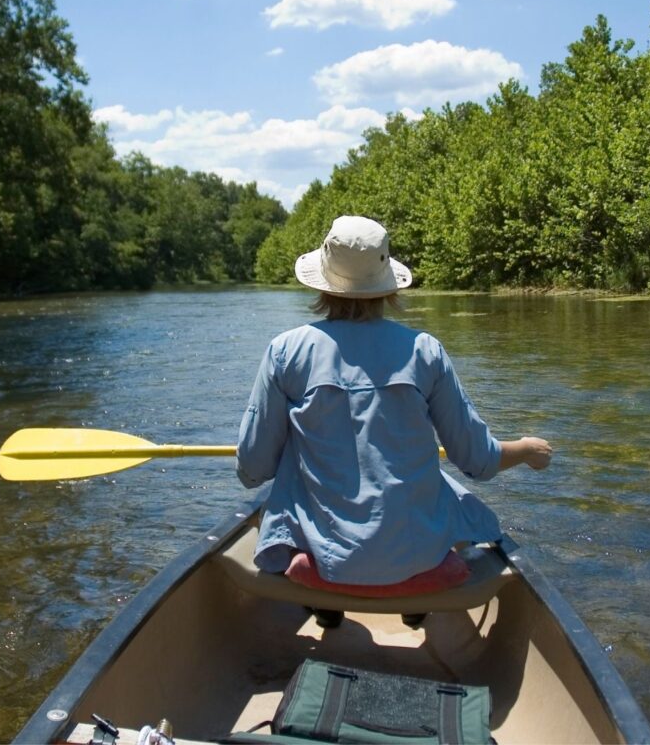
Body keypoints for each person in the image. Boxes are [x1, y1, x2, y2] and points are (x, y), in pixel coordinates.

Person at [236, 215, 552, 626]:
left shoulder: (285, 352)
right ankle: (414, 603)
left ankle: (326, 606)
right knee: (439, 486)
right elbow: (478, 461)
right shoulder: (425, 352)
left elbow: (252, 469)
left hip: (323, 563)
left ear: (321, 283)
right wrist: (526, 449)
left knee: (296, 462)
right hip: (415, 561)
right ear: (386, 286)